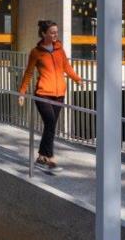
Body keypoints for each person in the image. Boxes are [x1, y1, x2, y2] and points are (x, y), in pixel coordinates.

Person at [18, 19, 82, 170]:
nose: (55, 35)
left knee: (50, 126)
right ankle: (50, 157)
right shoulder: (36, 52)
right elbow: (28, 73)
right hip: (43, 94)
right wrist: (22, 92)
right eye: (52, 32)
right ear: (43, 33)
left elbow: (67, 67)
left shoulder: (60, 49)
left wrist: (77, 79)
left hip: (59, 94)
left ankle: (41, 157)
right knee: (51, 123)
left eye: (56, 32)